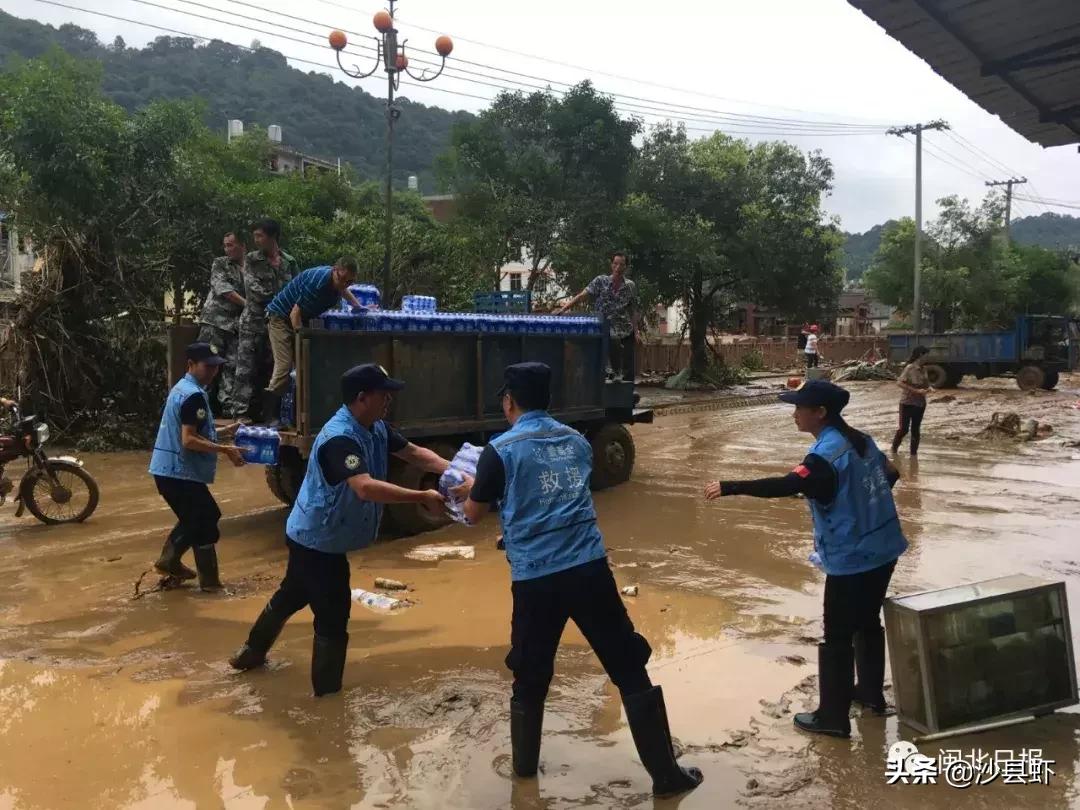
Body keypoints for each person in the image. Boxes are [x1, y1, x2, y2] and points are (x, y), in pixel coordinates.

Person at [456, 362, 702, 797]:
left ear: (509, 401)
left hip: (536, 581)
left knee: (530, 674)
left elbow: (474, 515)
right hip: (590, 571)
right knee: (628, 665)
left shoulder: (500, 450)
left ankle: (525, 778)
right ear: (549, 400)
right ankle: (667, 776)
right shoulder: (577, 441)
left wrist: (468, 495)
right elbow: (560, 499)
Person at [228, 364, 459, 696]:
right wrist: (420, 496)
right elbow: (364, 487)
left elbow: (413, 453)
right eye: (384, 394)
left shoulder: (375, 426)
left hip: (314, 535)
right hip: (318, 541)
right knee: (333, 618)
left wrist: (458, 470)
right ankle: (327, 701)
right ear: (362, 398)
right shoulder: (340, 438)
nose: (389, 400)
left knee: (292, 594)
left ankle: (250, 654)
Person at [704, 380, 908, 738]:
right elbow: (891, 474)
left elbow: (786, 484)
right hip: (885, 546)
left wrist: (731, 486)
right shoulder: (861, 440)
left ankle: (832, 717)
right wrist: (857, 506)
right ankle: (871, 695)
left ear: (820, 413)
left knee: (837, 634)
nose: (794, 414)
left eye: (800, 408)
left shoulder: (823, 457)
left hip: (852, 558)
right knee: (867, 621)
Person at [149, 343, 245, 589]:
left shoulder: (183, 389)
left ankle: (177, 565)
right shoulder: (194, 396)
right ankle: (200, 578)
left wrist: (226, 432)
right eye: (208, 366)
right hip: (178, 473)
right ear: (191, 364)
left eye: (216, 367)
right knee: (205, 518)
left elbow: (199, 432)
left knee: (200, 520)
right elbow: (189, 439)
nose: (212, 372)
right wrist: (226, 449)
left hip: (169, 471)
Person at [262, 257, 363, 426]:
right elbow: (295, 314)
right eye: (342, 279)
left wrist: (358, 306)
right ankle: (270, 416)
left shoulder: (340, 282)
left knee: (307, 365)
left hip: (300, 318)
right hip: (280, 318)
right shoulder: (317, 283)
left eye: (350, 281)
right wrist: (300, 340)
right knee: (285, 365)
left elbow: (343, 290)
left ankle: (298, 415)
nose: (344, 284)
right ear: (334, 270)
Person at [235, 219, 297, 420]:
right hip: (254, 322)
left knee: (274, 368)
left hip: (278, 325)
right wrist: (281, 300)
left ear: (272, 237)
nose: (256, 240)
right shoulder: (252, 259)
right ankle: (241, 413)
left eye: (259, 235)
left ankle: (270, 413)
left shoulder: (289, 262)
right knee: (246, 368)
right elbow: (253, 289)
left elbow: (297, 288)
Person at [556, 251, 640, 381]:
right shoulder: (601, 281)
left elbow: (633, 309)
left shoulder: (630, 286)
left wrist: (636, 331)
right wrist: (563, 309)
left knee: (629, 366)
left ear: (626, 267)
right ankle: (612, 371)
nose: (618, 268)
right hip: (604, 326)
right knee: (611, 338)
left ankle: (627, 392)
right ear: (611, 265)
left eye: (621, 265)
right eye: (615, 264)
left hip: (624, 327)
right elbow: (582, 296)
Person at [198, 232, 247, 418]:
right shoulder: (220, 263)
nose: (228, 249)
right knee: (206, 363)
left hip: (236, 326)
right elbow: (224, 290)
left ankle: (226, 407)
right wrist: (248, 305)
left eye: (231, 245)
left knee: (232, 365)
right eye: (225, 245)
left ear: (243, 245)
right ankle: (199, 404)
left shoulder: (251, 268)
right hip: (215, 322)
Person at [892, 346, 931, 456]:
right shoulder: (909, 368)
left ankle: (914, 456)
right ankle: (894, 450)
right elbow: (899, 383)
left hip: (920, 404)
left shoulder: (924, 369)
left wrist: (929, 388)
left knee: (916, 430)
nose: (928, 358)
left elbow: (926, 383)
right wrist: (916, 390)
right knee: (904, 429)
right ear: (920, 355)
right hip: (907, 403)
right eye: (926, 355)